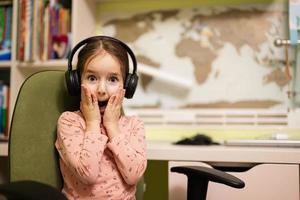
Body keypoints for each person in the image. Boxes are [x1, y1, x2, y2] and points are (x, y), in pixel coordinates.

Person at [55, 36, 147, 200]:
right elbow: (87, 174)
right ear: (76, 82)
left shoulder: (134, 125)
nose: (101, 90)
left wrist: (112, 126)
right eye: (92, 78)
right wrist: (92, 123)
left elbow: (133, 176)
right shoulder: (69, 122)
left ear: (127, 85)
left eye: (113, 79)